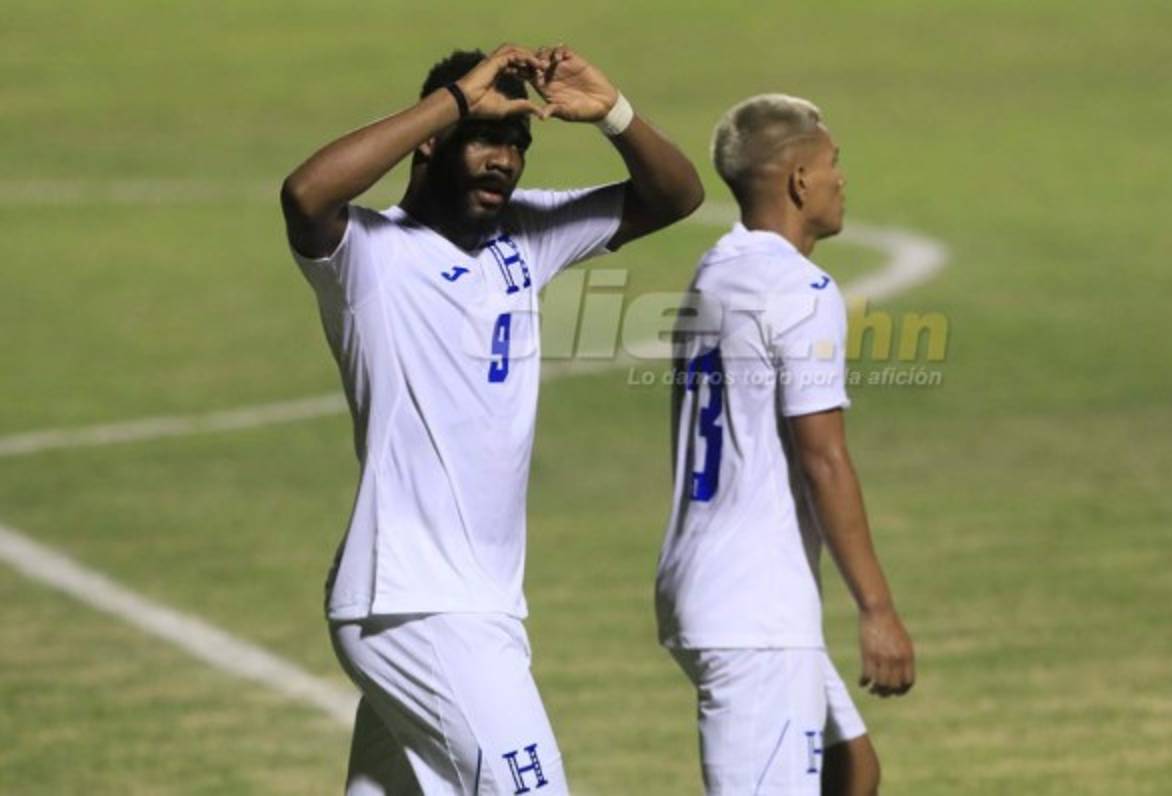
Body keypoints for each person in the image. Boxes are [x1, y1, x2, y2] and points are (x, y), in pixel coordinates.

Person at [281, 44, 703, 795]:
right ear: (431, 142)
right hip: (416, 604)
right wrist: (452, 102)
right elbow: (306, 194)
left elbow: (675, 196)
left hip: (475, 603)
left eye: (517, 142)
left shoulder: (523, 240)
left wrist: (613, 113)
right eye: (485, 137)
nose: (504, 160)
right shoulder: (369, 256)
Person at [655, 94, 915, 795]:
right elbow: (823, 458)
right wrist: (877, 609)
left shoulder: (717, 270)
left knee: (852, 766)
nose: (841, 179)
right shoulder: (799, 289)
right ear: (801, 180)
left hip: (706, 583)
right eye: (833, 163)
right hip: (755, 607)